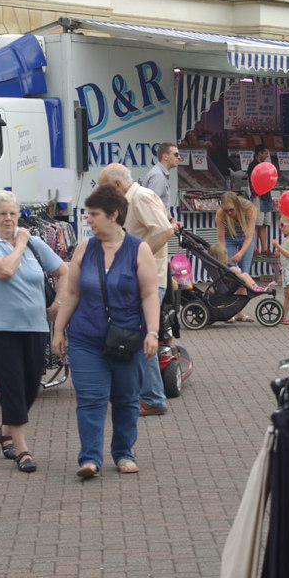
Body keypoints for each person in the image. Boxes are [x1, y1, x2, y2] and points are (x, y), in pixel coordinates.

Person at [51, 185, 161, 479]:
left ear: (114, 215)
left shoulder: (139, 249)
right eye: (88, 214)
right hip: (86, 338)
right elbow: (72, 292)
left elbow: (150, 294)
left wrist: (153, 332)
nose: (89, 220)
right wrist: (58, 329)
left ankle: (123, 452)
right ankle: (89, 458)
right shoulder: (84, 248)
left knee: (125, 399)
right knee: (90, 398)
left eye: (94, 215)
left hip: (127, 338)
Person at [0, 190, 67, 473]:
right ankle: (22, 449)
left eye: (13, 213)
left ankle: (5, 430)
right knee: (13, 386)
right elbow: (5, 270)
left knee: (30, 387)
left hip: (35, 325)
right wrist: (20, 243)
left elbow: (64, 271)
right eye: (2, 213)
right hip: (1, 327)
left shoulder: (36, 243)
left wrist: (57, 304)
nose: (8, 219)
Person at [99, 163, 175, 416]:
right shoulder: (133, 200)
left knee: (143, 335)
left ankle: (153, 397)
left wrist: (135, 258)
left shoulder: (140, 197)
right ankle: (148, 394)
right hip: (141, 279)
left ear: (118, 185)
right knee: (139, 334)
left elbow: (164, 230)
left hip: (148, 278)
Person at [215, 191, 258, 321]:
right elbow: (221, 240)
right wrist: (223, 258)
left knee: (244, 274)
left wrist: (241, 253)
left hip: (245, 238)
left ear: (237, 205)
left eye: (231, 210)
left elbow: (250, 236)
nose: (229, 213)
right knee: (229, 274)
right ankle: (229, 310)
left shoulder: (250, 209)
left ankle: (238, 312)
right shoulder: (220, 214)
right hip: (229, 238)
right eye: (226, 210)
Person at [209, 244, 275, 292]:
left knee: (245, 274)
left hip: (228, 280)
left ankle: (257, 287)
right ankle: (255, 288)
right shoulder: (220, 266)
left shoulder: (218, 265)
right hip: (228, 283)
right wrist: (236, 268)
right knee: (243, 275)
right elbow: (236, 271)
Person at [247, 144, 275, 256]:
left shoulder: (265, 166)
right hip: (257, 196)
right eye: (265, 153)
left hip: (267, 196)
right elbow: (252, 182)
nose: (267, 156)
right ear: (259, 153)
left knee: (264, 223)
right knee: (255, 223)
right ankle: (254, 248)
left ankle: (264, 248)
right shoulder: (253, 166)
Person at [142, 142, 181, 211]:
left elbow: (162, 205)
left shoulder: (160, 174)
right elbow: (152, 206)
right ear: (165, 156)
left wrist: (171, 220)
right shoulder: (158, 176)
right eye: (176, 155)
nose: (179, 158)